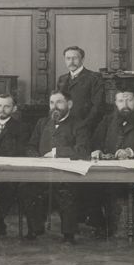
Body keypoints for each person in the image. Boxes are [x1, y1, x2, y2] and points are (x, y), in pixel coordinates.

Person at [20, 90, 89, 243]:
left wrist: (55, 153)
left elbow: (82, 150)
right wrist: (35, 157)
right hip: (42, 173)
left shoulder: (79, 124)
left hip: (67, 174)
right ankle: (35, 228)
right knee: (27, 188)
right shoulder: (42, 123)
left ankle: (68, 234)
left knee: (67, 191)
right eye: (52, 103)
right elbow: (31, 145)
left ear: (69, 104)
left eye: (59, 102)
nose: (54, 106)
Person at [88, 90, 134, 237]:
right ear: (115, 103)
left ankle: (114, 228)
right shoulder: (107, 120)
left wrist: (130, 152)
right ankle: (101, 226)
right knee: (88, 186)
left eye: (129, 100)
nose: (125, 104)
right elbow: (95, 141)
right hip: (108, 171)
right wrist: (98, 151)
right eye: (121, 101)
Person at [0, 94, 28, 237]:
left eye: (6, 106)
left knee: (8, 188)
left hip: (11, 171)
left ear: (14, 108)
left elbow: (15, 153)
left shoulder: (22, 128)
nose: (2, 109)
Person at [56, 45, 105, 130]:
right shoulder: (62, 79)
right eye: (68, 58)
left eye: (75, 58)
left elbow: (98, 106)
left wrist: (84, 125)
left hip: (86, 127)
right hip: (65, 126)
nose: (71, 62)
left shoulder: (94, 78)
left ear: (82, 59)